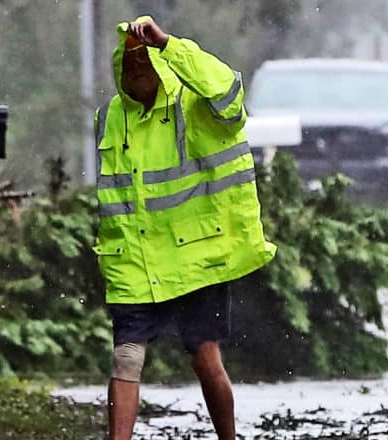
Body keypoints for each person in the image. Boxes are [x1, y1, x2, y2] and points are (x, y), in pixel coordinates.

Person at [92, 16, 276, 440]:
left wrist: (170, 44)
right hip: (134, 259)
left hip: (194, 256)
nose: (136, 67)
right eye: (129, 61)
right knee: (126, 358)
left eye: (145, 59)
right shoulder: (109, 118)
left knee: (205, 355)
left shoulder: (192, 105)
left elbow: (230, 96)